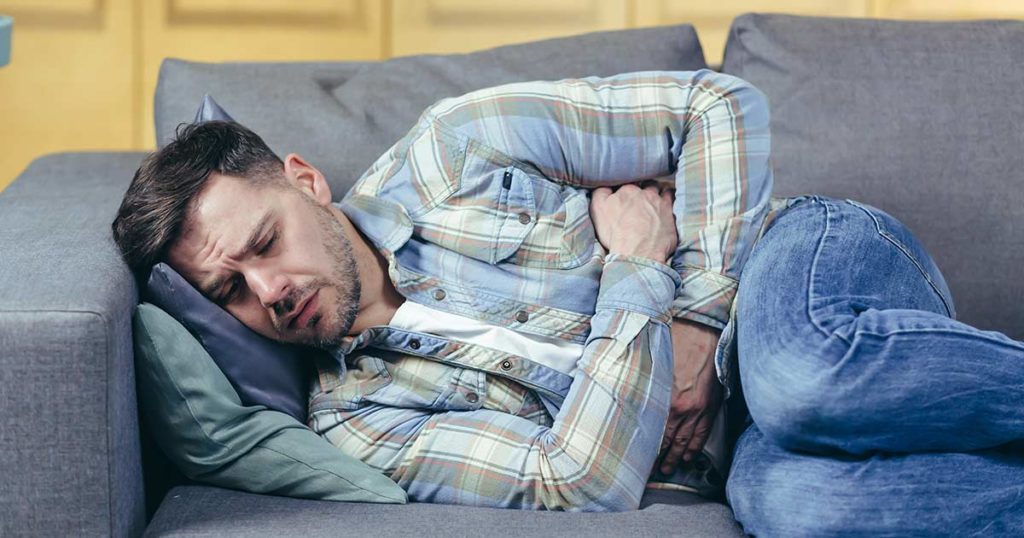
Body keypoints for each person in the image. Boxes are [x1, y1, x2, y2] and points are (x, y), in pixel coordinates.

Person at [111, 68, 1023, 528]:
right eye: (228, 291)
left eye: (264, 244)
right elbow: (581, 480)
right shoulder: (358, 425)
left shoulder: (454, 150)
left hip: (800, 273)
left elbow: (718, 105)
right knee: (807, 513)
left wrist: (697, 320)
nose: (270, 293)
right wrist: (634, 272)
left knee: (794, 377)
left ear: (305, 181)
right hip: (734, 453)